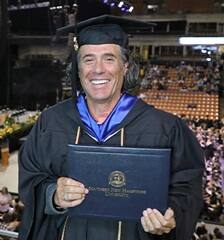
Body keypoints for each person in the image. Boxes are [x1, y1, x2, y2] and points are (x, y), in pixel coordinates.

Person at [18, 15, 204, 240]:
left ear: (125, 66)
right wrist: (53, 194)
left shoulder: (165, 127)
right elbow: (31, 177)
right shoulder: (51, 122)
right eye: (88, 59)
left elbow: (187, 187)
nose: (98, 69)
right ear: (77, 69)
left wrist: (171, 214)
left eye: (108, 58)